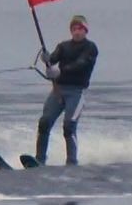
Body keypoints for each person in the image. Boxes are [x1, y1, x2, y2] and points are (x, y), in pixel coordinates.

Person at [35, 14, 98, 166]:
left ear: (85, 30)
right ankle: (39, 160)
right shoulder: (63, 46)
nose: (77, 32)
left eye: (80, 29)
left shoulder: (90, 48)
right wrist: (47, 58)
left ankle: (71, 163)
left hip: (76, 93)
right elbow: (53, 59)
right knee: (44, 122)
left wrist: (60, 72)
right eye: (74, 29)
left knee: (69, 126)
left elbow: (81, 64)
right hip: (58, 91)